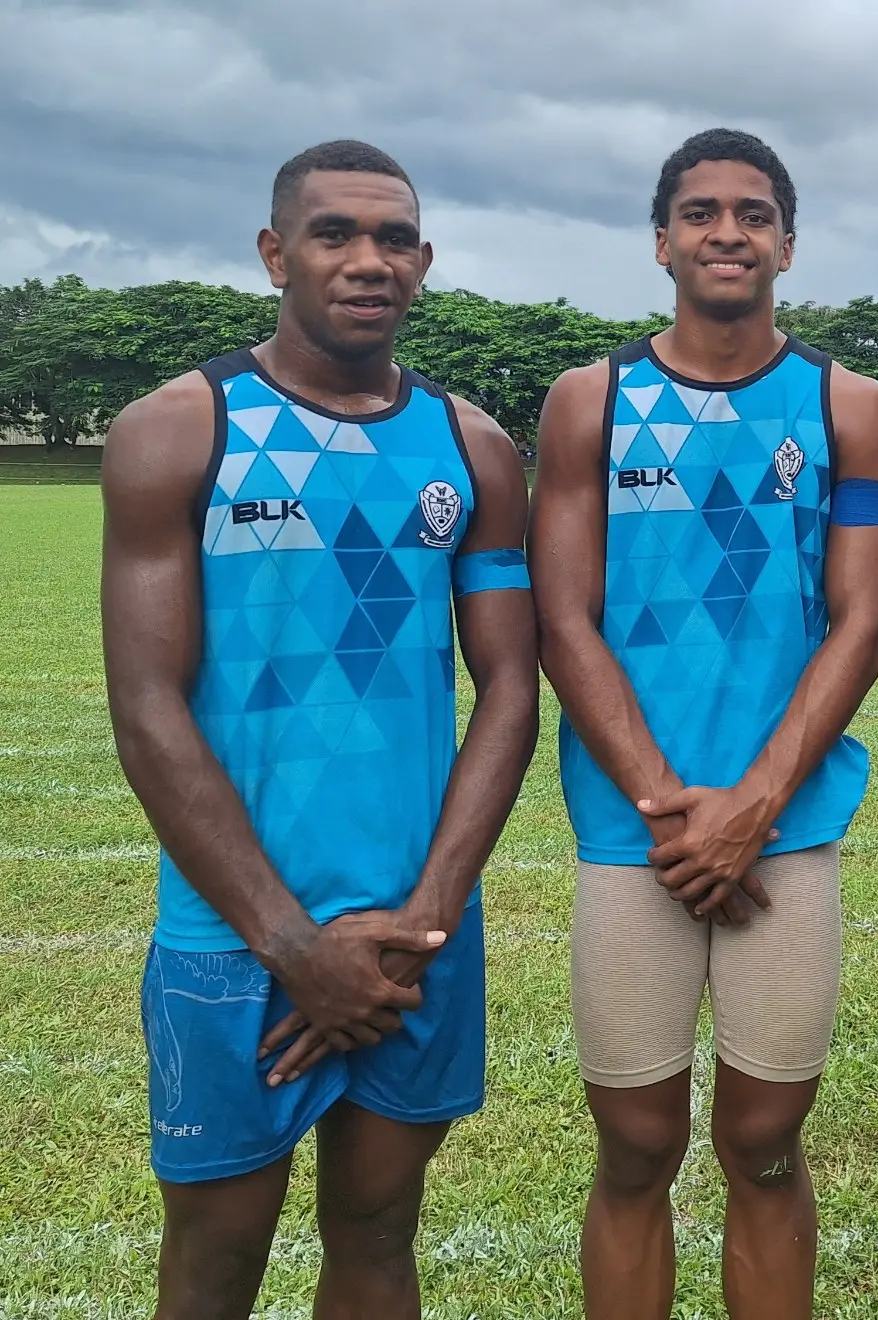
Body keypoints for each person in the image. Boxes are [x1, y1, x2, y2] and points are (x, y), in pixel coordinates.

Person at [101, 140, 538, 1320]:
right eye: (335, 233)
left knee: (381, 1232)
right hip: (233, 936)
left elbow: (509, 690)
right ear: (274, 251)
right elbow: (146, 710)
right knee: (216, 1255)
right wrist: (295, 946)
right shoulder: (179, 427)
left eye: (394, 238)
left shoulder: (474, 448)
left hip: (415, 933)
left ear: (426, 261)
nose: (367, 260)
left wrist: (430, 912)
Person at [530, 128, 878, 1319]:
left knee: (765, 1143)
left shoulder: (850, 404)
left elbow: (860, 621)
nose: (727, 233)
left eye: (754, 214)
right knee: (637, 1144)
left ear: (788, 242)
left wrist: (752, 804)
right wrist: (672, 810)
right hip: (632, 832)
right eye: (701, 213)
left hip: (784, 832)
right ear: (661, 241)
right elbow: (565, 621)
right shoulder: (589, 400)